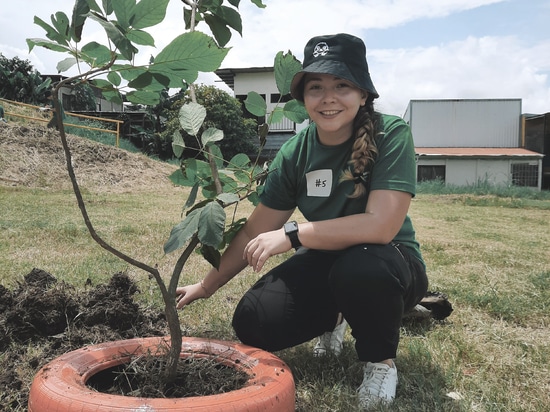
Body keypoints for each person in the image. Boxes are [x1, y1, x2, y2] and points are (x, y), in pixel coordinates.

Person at [176, 33, 428, 409]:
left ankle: (380, 362)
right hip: (329, 260)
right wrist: (207, 284)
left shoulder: (391, 134)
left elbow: (380, 226)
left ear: (363, 94)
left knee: (361, 268)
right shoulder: (296, 152)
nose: (328, 97)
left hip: (388, 262)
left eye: (342, 85)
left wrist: (294, 234)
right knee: (253, 321)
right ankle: (338, 316)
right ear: (304, 98)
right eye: (316, 87)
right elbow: (254, 229)